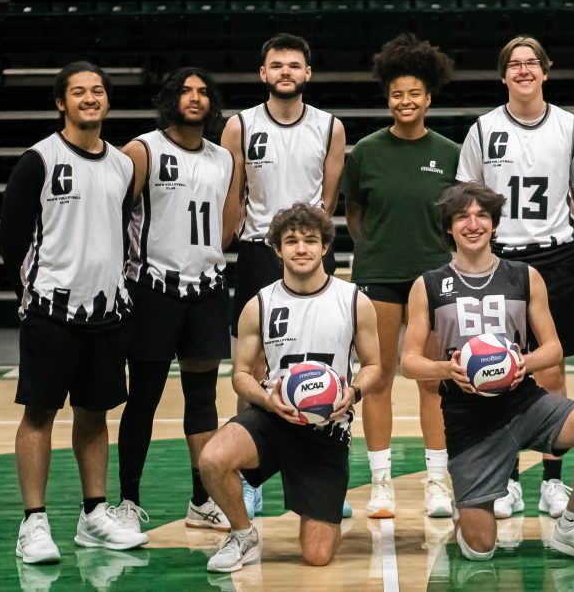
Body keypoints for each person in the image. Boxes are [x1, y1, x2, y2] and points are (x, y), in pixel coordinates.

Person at [401, 181, 574, 565]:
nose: (472, 224)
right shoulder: (428, 284)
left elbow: (553, 348)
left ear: (493, 224)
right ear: (448, 227)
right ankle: (471, 498)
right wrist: (448, 369)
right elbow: (408, 361)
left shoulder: (524, 276)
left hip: (524, 402)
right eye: (462, 217)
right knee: (479, 550)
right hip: (467, 419)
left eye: (481, 216)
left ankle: (571, 527)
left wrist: (522, 363)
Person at [0, 61, 147, 564]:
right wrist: (37, 290)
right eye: (79, 92)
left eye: (98, 90)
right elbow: (11, 238)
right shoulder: (38, 159)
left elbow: (124, 231)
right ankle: (34, 523)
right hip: (50, 309)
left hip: (106, 312)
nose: (90, 98)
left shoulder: (124, 165)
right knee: (39, 413)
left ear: (107, 101)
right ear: (61, 103)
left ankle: (92, 515)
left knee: (95, 414)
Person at [455, 35, 574, 520]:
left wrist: (552, 234)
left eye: (531, 63)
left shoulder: (571, 127)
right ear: (503, 75)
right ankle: (508, 480)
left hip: (555, 257)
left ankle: (552, 482)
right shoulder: (483, 129)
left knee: (551, 368)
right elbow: (467, 198)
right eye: (513, 65)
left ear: (545, 70)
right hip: (501, 261)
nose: (522, 71)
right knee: (500, 370)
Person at [198, 203, 382, 572]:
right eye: (292, 241)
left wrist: (353, 393)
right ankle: (242, 534)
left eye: (311, 240)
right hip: (272, 419)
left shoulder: (353, 300)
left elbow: (375, 366)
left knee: (316, 557)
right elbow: (241, 374)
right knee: (211, 460)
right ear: (277, 249)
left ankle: (318, 498)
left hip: (326, 430)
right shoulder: (260, 304)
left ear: (325, 247)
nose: (302, 248)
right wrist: (266, 399)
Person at [220, 33, 346, 517]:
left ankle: (321, 465)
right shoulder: (240, 125)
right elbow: (235, 192)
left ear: (307, 73)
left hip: (310, 252)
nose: (286, 72)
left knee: (329, 360)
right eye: (277, 65)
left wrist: (305, 243)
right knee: (252, 366)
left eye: (295, 65)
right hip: (256, 252)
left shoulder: (329, 126)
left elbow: (329, 199)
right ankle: (250, 478)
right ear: (263, 73)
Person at [115, 67, 240, 534]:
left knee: (203, 398)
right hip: (152, 287)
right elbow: (115, 218)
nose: (195, 98)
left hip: (206, 287)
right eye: (186, 90)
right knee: (144, 396)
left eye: (203, 92)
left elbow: (227, 227)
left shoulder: (223, 158)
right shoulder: (142, 150)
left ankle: (201, 500)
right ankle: (128, 502)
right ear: (171, 99)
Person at [341, 33, 459, 519]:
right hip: (380, 275)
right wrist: (378, 249)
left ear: (428, 97)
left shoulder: (451, 152)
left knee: (433, 382)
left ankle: (437, 483)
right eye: (396, 94)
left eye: (414, 93)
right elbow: (354, 214)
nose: (405, 101)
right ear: (387, 98)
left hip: (433, 280)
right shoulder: (365, 151)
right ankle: (382, 485)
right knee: (378, 379)